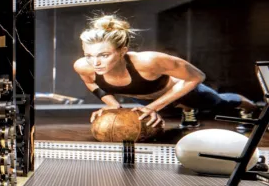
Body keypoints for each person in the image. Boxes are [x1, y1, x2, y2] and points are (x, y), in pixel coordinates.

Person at [74, 14, 256, 129]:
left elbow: (197, 76)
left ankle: (252, 108)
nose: (95, 62)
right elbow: (91, 82)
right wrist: (113, 105)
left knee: (219, 103)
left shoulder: (149, 61)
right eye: (89, 55)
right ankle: (188, 111)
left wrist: (153, 107)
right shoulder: (83, 66)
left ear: (123, 51)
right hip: (144, 98)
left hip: (183, 92)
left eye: (104, 55)